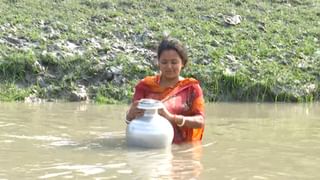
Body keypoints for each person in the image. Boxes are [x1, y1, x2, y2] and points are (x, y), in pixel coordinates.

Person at [125, 36, 205, 144]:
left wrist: (172, 118)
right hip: (149, 145)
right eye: (164, 62)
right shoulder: (145, 86)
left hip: (181, 149)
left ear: (183, 63)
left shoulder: (191, 88)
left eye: (174, 62)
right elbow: (133, 119)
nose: (169, 67)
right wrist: (129, 115)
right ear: (158, 62)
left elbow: (200, 121)